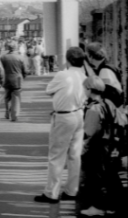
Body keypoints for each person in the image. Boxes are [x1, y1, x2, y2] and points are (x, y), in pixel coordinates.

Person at [34, 46, 89, 204]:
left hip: (64, 116)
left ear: (68, 60)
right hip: (79, 114)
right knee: (74, 155)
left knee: (57, 155)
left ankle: (51, 193)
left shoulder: (63, 75)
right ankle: (72, 191)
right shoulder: (83, 75)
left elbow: (48, 90)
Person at [79, 75, 124, 215]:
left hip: (97, 147)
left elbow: (89, 132)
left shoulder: (93, 109)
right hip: (110, 144)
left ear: (89, 89)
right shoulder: (108, 103)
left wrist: (81, 146)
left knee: (96, 177)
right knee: (110, 176)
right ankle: (113, 206)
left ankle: (97, 207)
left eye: (84, 88)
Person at [0, 42, 28, 121]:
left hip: (6, 79)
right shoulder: (20, 57)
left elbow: (0, 69)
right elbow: (25, 70)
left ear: (8, 48)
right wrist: (23, 77)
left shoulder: (3, 58)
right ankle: (14, 115)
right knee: (16, 97)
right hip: (17, 80)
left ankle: (7, 113)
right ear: (16, 48)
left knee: (7, 97)